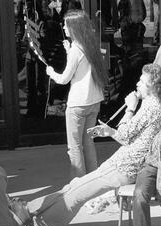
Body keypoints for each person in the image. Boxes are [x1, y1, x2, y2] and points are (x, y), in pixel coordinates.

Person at [10, 64, 161, 226]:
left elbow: (124, 135)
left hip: (124, 166)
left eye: (142, 80)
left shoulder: (149, 108)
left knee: (77, 193)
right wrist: (110, 131)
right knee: (76, 186)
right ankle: (29, 210)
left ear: (152, 87)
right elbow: (135, 138)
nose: (137, 83)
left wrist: (130, 107)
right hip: (128, 165)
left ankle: (42, 224)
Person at [45, 10, 108, 179]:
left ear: (74, 28)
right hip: (94, 102)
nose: (64, 28)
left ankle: (78, 184)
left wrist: (51, 72)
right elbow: (81, 67)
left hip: (78, 105)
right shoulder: (90, 45)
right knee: (88, 142)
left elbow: (64, 79)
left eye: (66, 25)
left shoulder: (76, 50)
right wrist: (68, 50)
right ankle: (92, 180)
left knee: (74, 147)